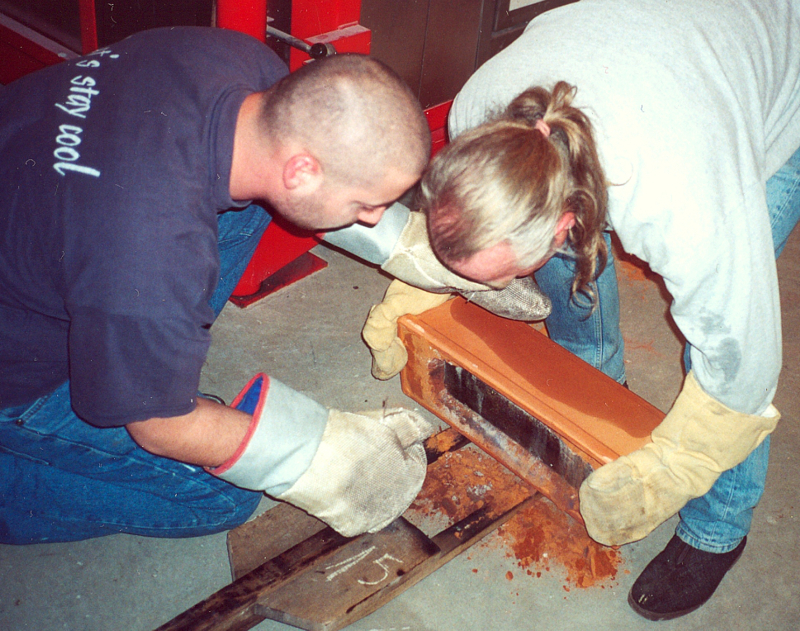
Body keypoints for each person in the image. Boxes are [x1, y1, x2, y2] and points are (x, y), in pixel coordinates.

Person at [371, 0, 800, 621]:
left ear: (568, 220)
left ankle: (718, 529)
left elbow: (744, 368)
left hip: (773, 82)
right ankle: (593, 389)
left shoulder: (688, 208)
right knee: (557, 270)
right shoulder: (478, 117)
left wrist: (673, 469)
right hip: (662, 46)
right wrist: (429, 283)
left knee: (721, 342)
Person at [0, 25, 444, 544]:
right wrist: (322, 458)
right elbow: (160, 430)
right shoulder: (147, 252)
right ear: (301, 170)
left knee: (251, 210)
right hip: (19, 368)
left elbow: (309, 176)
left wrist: (420, 249)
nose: (373, 220)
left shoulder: (241, 66)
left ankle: (148, 363)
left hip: (41, 214)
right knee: (224, 495)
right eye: (365, 206)